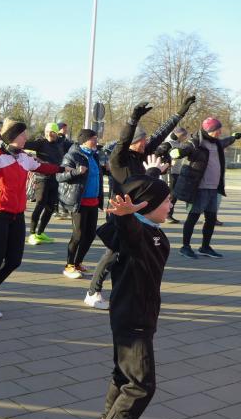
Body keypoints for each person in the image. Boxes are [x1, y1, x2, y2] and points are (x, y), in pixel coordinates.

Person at [87, 175, 172, 419]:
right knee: (141, 385)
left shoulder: (153, 232)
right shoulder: (135, 234)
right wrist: (126, 216)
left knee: (124, 375)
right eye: (167, 201)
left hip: (137, 315)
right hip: (133, 319)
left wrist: (154, 173)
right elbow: (130, 232)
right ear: (147, 206)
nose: (171, 205)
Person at [85, 97, 193, 309]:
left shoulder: (142, 155)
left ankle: (132, 291)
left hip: (141, 214)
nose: (145, 143)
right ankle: (92, 292)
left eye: (145, 140)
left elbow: (160, 133)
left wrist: (179, 115)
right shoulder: (119, 159)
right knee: (113, 253)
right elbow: (124, 140)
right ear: (132, 142)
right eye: (140, 140)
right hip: (121, 213)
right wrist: (133, 119)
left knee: (135, 254)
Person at [0, 118, 67, 319]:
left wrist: (63, 169)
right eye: (23, 134)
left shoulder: (24, 157)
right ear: (13, 137)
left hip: (17, 215)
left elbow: (42, 167)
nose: (26, 137)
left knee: (14, 261)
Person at [172, 118, 240, 259]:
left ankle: (205, 247)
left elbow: (225, 142)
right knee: (193, 217)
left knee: (211, 219)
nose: (219, 131)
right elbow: (185, 148)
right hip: (199, 188)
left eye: (220, 129)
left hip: (213, 189)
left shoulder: (216, 143)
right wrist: (177, 152)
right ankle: (185, 247)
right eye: (217, 129)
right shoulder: (196, 142)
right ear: (209, 130)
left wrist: (233, 137)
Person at [57, 130, 103, 279]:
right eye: (93, 139)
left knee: (90, 235)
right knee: (78, 235)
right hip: (79, 201)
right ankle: (69, 266)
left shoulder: (94, 155)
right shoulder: (72, 155)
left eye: (96, 138)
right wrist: (76, 172)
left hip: (93, 201)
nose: (96, 141)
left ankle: (78, 263)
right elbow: (59, 176)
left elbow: (96, 174)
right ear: (84, 140)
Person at [25, 123, 68, 245]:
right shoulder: (40, 143)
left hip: (55, 179)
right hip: (42, 179)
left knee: (50, 208)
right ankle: (32, 234)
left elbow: (76, 147)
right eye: (47, 132)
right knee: (40, 205)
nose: (49, 134)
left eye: (52, 132)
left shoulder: (61, 143)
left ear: (57, 133)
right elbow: (23, 144)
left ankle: (40, 233)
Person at [154, 127, 189, 223]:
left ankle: (168, 214)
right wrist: (167, 162)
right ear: (180, 135)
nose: (185, 138)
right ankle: (166, 215)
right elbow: (156, 154)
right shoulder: (168, 144)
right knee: (170, 194)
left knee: (175, 195)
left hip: (177, 172)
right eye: (184, 136)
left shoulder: (180, 143)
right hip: (170, 172)